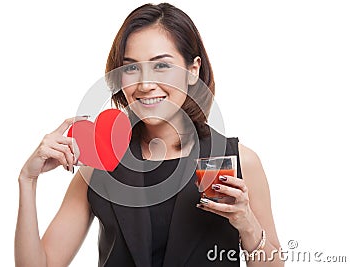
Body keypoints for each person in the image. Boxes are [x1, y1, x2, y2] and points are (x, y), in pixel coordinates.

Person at [15, 3, 284, 267]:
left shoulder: (237, 160)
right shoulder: (100, 161)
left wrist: (247, 224)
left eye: (161, 66)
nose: (144, 84)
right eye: (131, 68)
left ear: (193, 70)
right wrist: (28, 180)